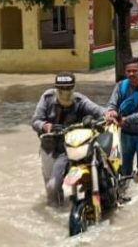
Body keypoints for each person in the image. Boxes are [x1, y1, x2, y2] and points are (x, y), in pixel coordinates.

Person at [31, 72, 105, 206]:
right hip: (49, 148)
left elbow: (97, 110)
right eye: (62, 89)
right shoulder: (47, 98)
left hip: (70, 149)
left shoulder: (79, 101)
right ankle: (56, 212)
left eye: (68, 88)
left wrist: (109, 113)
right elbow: (35, 120)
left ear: (73, 88)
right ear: (56, 88)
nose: (65, 92)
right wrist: (44, 126)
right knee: (52, 188)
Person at [104, 57, 138, 178]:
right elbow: (112, 103)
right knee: (125, 168)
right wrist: (111, 112)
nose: (131, 73)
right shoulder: (120, 86)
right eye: (129, 71)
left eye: (135, 70)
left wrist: (127, 119)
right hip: (126, 133)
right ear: (125, 72)